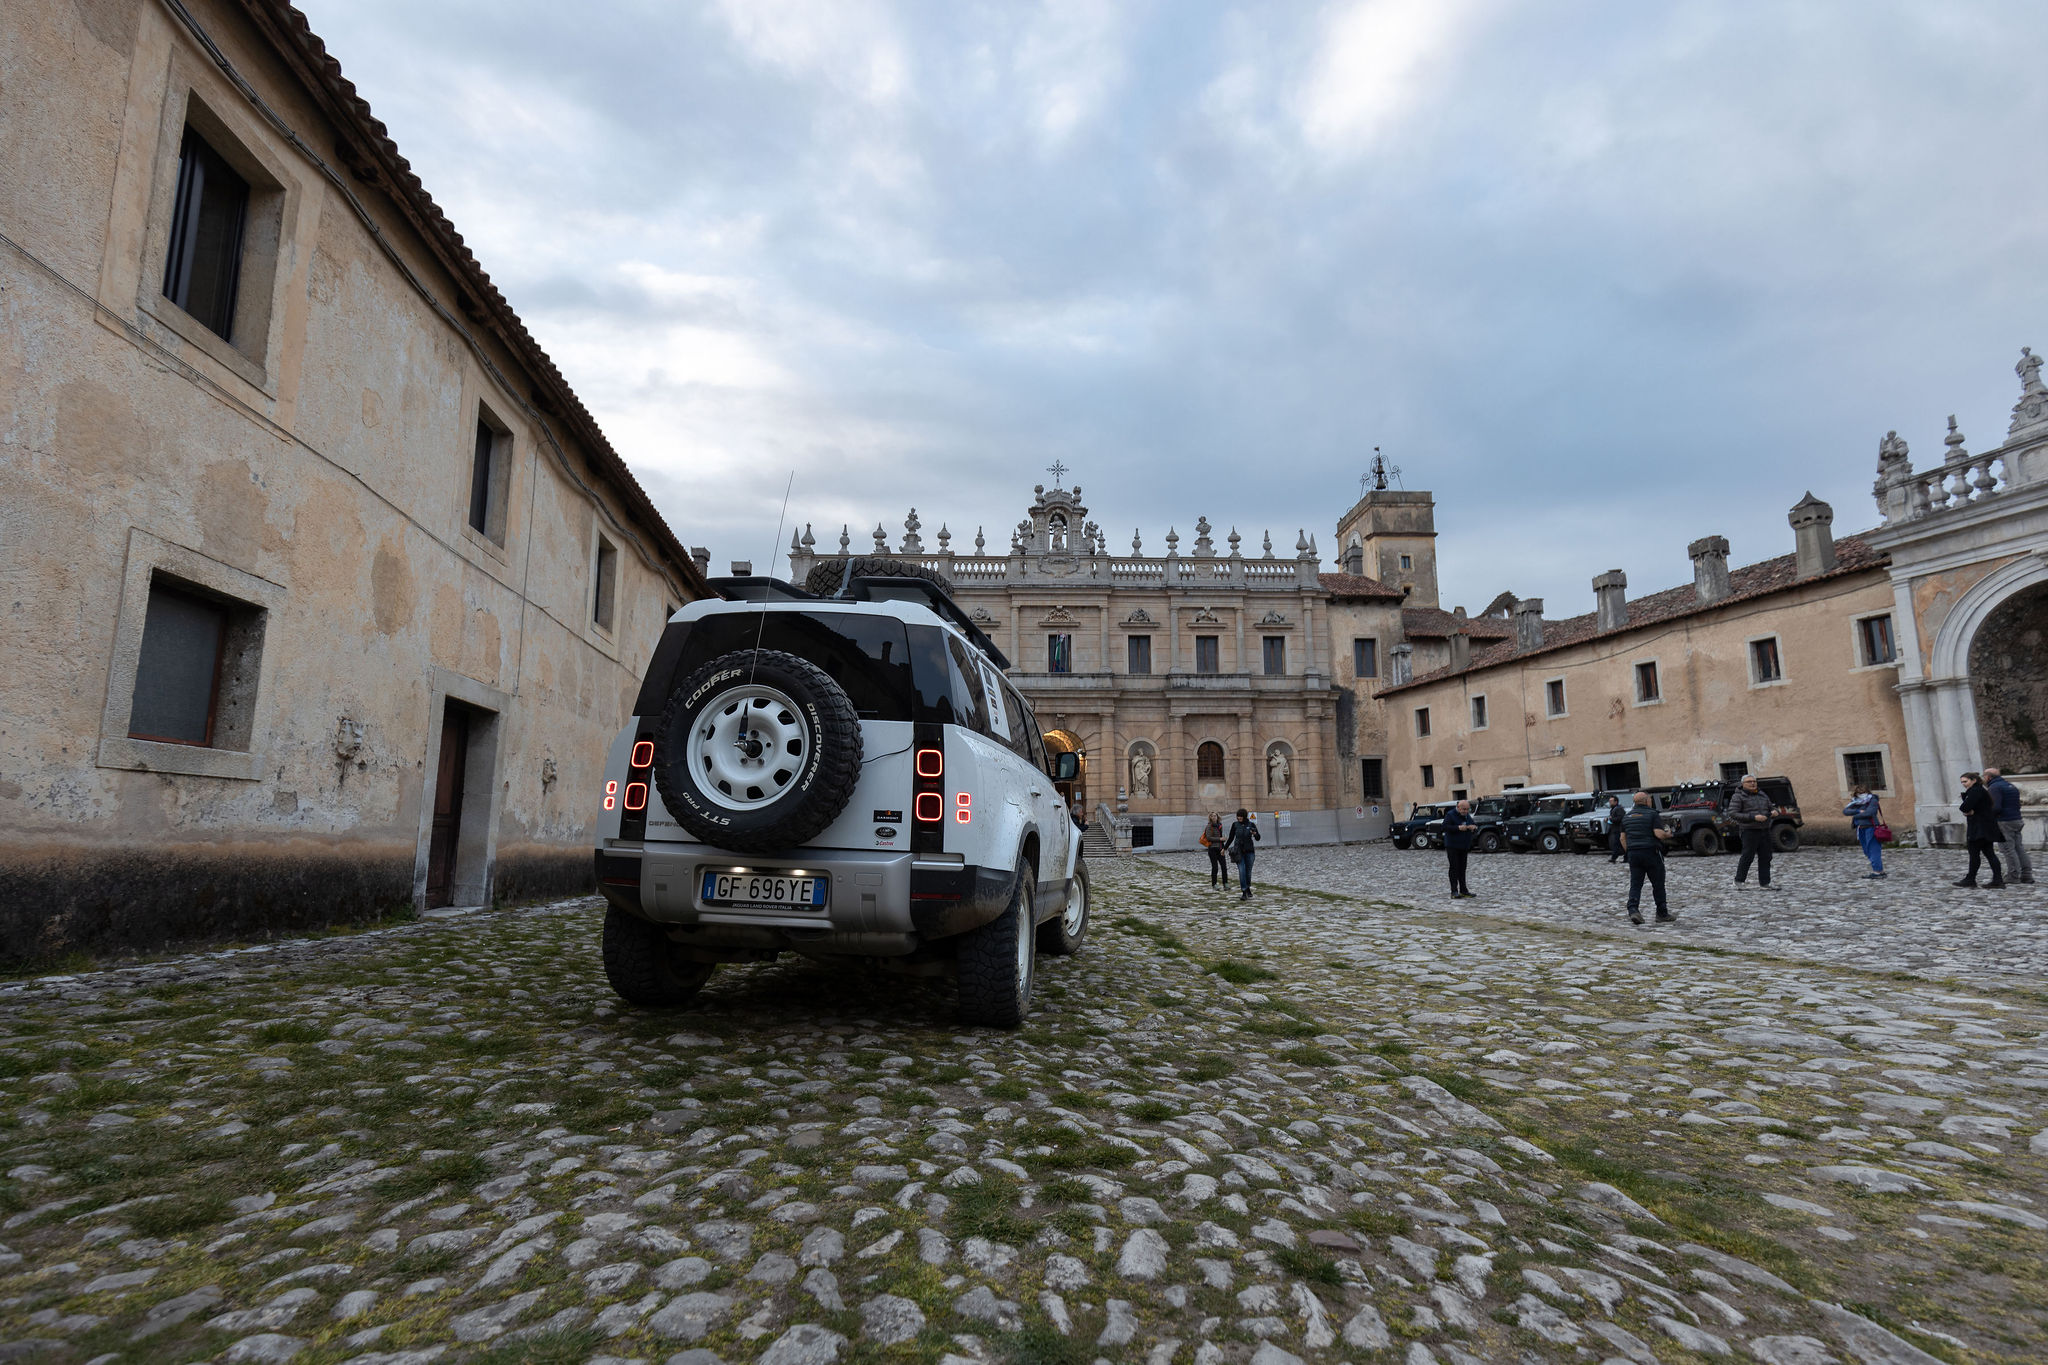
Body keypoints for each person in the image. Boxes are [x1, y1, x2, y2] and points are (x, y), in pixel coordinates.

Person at [1620, 789, 1675, 925]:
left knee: (1636, 883)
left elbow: (1622, 838)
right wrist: (1668, 834)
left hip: (1634, 853)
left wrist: (1630, 850)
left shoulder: (1627, 817)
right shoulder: (1652, 814)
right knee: (1658, 883)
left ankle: (1633, 910)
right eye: (1650, 799)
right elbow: (1659, 834)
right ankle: (1662, 913)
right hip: (1651, 852)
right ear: (1647, 801)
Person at [1727, 775, 1779, 889]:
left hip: (1765, 829)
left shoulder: (1762, 794)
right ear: (1743, 784)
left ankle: (1765, 883)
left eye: (1754, 781)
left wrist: (1775, 811)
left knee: (1766, 857)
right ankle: (1739, 881)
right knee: (1747, 856)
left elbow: (1772, 807)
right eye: (1749, 781)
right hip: (1749, 830)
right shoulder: (1738, 796)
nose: (1752, 783)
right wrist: (1753, 817)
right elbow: (1733, 813)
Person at [1984, 767, 2035, 885]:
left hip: (2004, 821)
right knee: (2019, 848)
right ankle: (2027, 875)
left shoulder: (1994, 787)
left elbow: (1996, 807)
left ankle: (2013, 876)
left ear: (1988, 777)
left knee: (2008, 849)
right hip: (2016, 819)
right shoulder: (2011, 786)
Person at [1956, 772, 2006, 889]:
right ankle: (1997, 879)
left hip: (1979, 828)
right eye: (1962, 782)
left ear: (1973, 780)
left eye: (1965, 781)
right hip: (1985, 826)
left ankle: (1971, 879)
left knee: (1975, 854)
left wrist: (1969, 810)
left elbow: (1964, 807)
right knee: (1989, 853)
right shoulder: (1980, 790)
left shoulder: (1975, 791)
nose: (1963, 784)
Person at [1438, 799, 1479, 898]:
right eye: (1464, 809)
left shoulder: (1467, 815)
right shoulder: (1450, 815)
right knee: (1454, 868)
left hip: (1464, 846)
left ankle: (1464, 890)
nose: (1465, 811)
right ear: (1458, 807)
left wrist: (1473, 827)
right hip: (1452, 846)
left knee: (1462, 868)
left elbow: (1472, 824)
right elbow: (1444, 827)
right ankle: (1454, 891)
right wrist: (1458, 828)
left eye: (1467, 809)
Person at [1844, 785, 1886, 879]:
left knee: (1873, 850)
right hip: (1861, 828)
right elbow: (1846, 811)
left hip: (1871, 828)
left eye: (1863, 792)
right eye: (1859, 793)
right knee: (1867, 851)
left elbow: (1870, 812)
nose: (1861, 794)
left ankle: (1878, 872)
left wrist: (1855, 815)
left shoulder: (1872, 800)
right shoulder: (1856, 801)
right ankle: (1879, 870)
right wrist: (1859, 811)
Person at [1225, 807, 1261, 899]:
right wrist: (1224, 848)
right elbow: (1231, 837)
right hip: (1238, 852)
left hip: (1249, 852)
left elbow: (1258, 838)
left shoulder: (1251, 824)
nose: (1239, 818)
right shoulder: (1235, 825)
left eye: (1240, 816)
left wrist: (1255, 834)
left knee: (1248, 872)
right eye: (1238, 816)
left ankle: (1248, 887)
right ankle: (1244, 891)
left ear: (1244, 816)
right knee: (1242, 871)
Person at [1201, 812, 1228, 888]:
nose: (1214, 817)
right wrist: (1220, 839)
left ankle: (1225, 883)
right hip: (1212, 848)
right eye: (1212, 816)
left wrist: (1223, 840)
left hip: (1220, 848)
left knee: (1224, 867)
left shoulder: (1220, 825)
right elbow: (1209, 837)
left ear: (1217, 817)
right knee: (1215, 867)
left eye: (1215, 816)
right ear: (1210, 818)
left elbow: (1221, 835)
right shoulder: (1209, 826)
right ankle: (1214, 883)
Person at [1605, 795, 1625, 863]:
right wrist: (1608, 820)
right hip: (1615, 829)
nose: (1610, 803)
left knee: (1618, 844)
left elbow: (1620, 818)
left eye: (1611, 801)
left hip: (1619, 829)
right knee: (1618, 844)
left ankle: (1614, 858)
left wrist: (1610, 819)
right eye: (1609, 801)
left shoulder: (1618, 809)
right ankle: (1623, 857)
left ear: (1616, 802)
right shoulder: (1613, 809)